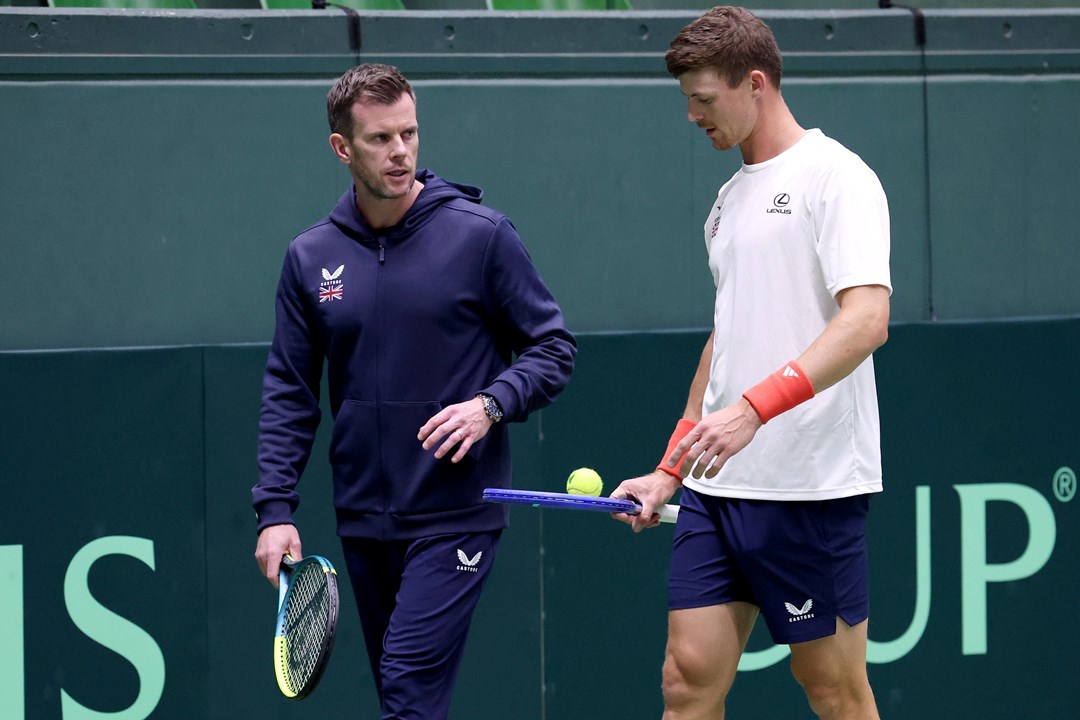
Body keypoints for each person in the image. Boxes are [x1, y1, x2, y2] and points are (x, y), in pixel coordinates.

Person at [252, 63, 576, 720]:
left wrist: (491, 404)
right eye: (380, 139)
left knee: (405, 686)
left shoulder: (481, 236)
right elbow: (290, 391)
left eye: (409, 133)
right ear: (342, 148)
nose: (400, 152)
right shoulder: (310, 257)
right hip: (365, 517)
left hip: (457, 511)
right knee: (409, 703)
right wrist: (275, 510)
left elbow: (553, 348)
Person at [610, 7, 891, 720]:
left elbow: (866, 321)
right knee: (685, 680)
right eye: (688, 102)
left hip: (811, 487)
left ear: (755, 83)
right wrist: (672, 465)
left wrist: (753, 411)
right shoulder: (727, 201)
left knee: (833, 690)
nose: (693, 117)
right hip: (718, 488)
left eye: (703, 100)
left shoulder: (839, 178)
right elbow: (727, 338)